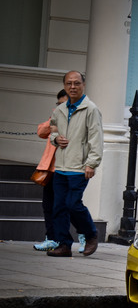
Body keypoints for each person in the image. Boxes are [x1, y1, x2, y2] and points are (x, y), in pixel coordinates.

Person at [46, 71, 103, 257]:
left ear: (83, 85)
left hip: (79, 167)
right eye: (69, 83)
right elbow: (52, 131)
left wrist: (92, 164)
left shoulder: (91, 109)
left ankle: (91, 234)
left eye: (76, 83)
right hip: (61, 166)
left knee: (72, 204)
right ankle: (63, 245)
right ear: (64, 85)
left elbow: (96, 138)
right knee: (59, 207)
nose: (73, 86)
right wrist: (56, 139)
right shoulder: (60, 109)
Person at [33, 90, 87, 252]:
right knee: (48, 205)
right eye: (59, 104)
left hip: (70, 169)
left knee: (69, 205)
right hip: (51, 169)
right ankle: (52, 238)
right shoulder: (55, 119)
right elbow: (41, 132)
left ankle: (84, 234)